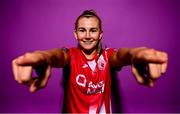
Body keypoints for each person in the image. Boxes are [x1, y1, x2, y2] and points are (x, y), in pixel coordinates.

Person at [12, 10, 168, 113]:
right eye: (82, 30)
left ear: (100, 34)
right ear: (75, 34)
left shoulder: (108, 56)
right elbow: (57, 56)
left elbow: (122, 55)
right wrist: (42, 56)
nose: (87, 35)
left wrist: (137, 53)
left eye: (93, 30)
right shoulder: (70, 55)